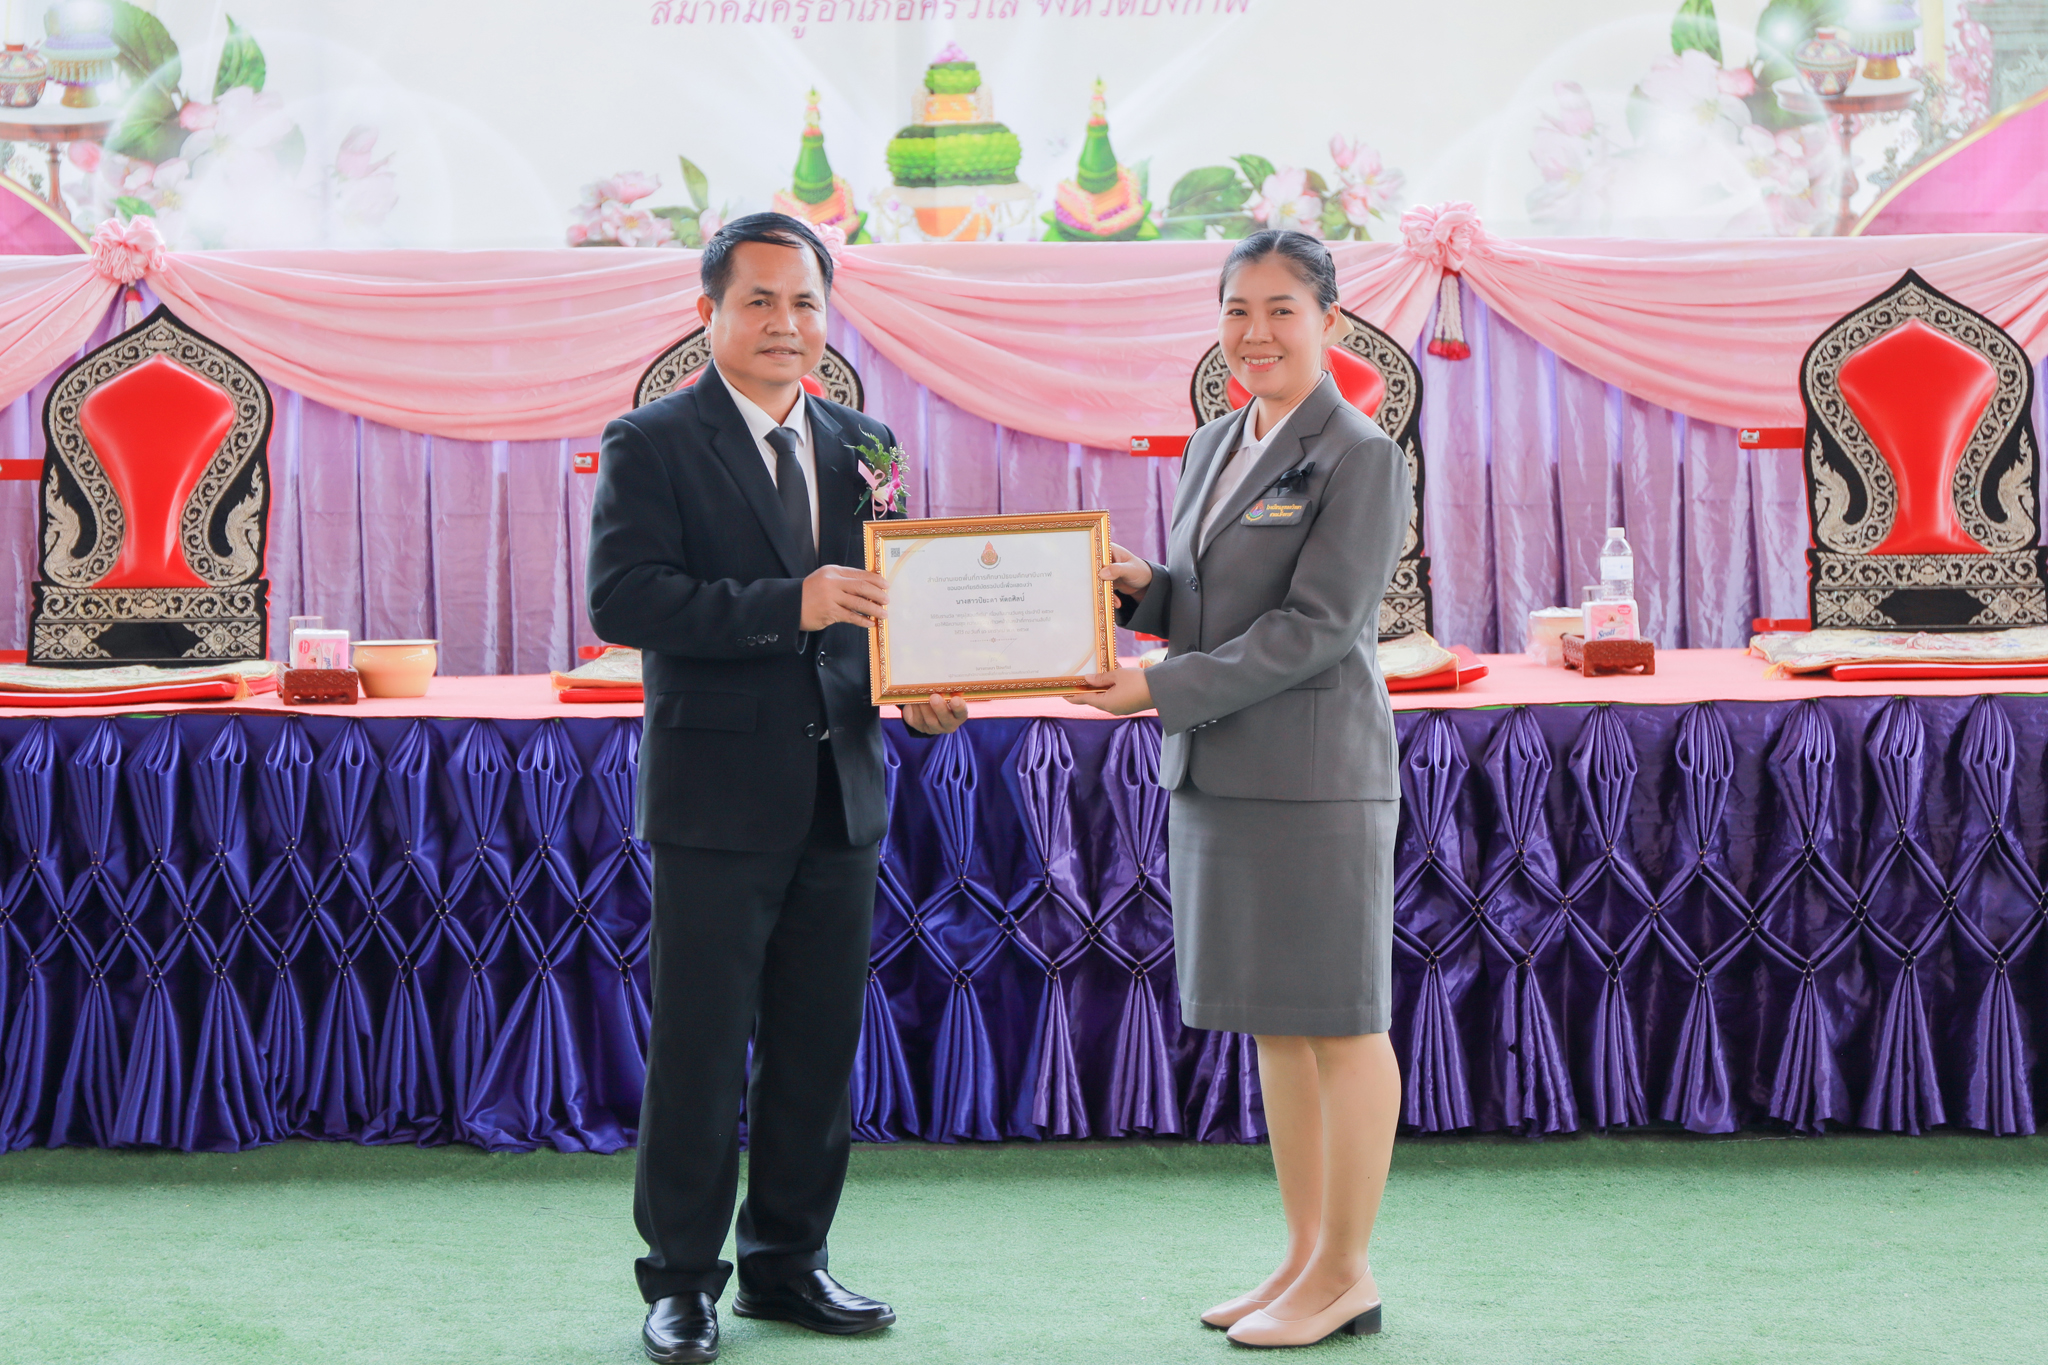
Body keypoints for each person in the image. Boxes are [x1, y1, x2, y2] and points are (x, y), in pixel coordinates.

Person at [588, 211, 967, 1365]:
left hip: (840, 787)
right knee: (700, 1053)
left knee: (815, 1048)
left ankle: (788, 1265)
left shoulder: (866, 441)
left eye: (804, 302)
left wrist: (919, 684)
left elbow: (887, 602)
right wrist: (786, 605)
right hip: (713, 795)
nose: (784, 323)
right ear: (708, 312)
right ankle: (679, 1282)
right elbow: (625, 599)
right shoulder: (651, 440)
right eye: (758, 300)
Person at [1068, 229, 1409, 1348]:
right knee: (1276, 1028)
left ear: (1330, 323)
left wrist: (1156, 687)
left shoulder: (1358, 453)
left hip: (1313, 779)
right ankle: (1303, 1257)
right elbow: (1218, 601)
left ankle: (1346, 1271)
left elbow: (1317, 628)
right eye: (1235, 311)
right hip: (1224, 770)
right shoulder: (1218, 440)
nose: (1254, 334)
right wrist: (1146, 590)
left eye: (1279, 310)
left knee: (1340, 1025)